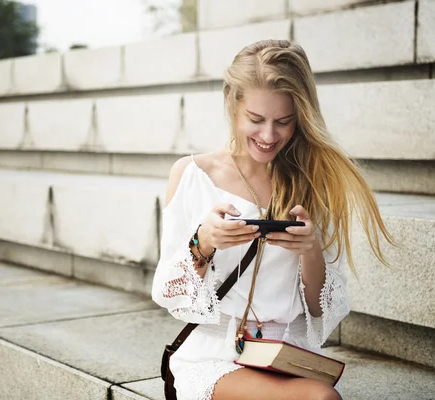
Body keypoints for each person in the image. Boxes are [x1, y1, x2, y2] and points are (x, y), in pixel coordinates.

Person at [151, 40, 394, 400]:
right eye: (256, 119)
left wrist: (309, 249)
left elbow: (319, 309)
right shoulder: (192, 175)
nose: (268, 136)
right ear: (232, 102)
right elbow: (168, 293)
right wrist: (203, 240)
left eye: (284, 122)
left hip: (288, 359)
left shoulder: (313, 181)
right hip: (216, 356)